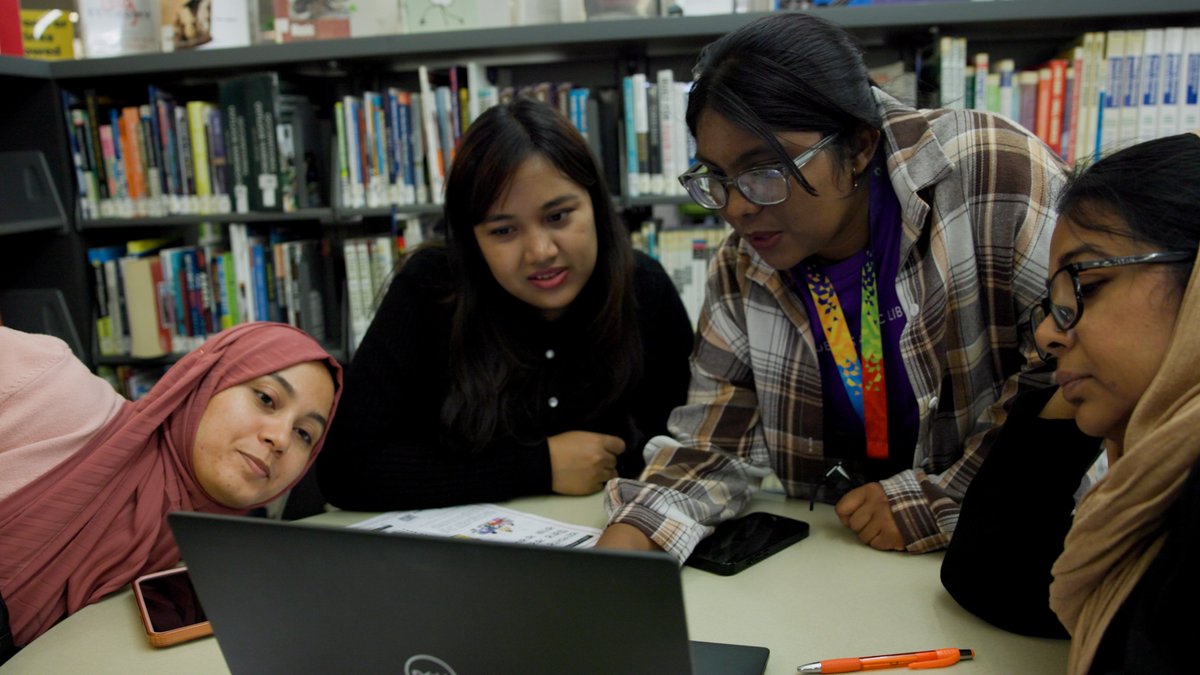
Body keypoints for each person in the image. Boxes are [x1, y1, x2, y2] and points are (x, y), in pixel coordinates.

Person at [596, 12, 1064, 558]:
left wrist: (937, 499)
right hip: (846, 547)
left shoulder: (989, 176)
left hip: (1001, 545)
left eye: (765, 170)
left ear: (860, 146)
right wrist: (619, 557)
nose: (739, 207)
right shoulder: (742, 263)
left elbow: (1063, 380)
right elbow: (714, 444)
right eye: (716, 178)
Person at [316, 98, 693, 510]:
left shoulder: (646, 288)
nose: (540, 251)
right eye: (504, 230)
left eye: (558, 217)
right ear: (473, 241)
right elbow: (345, 468)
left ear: (596, 207)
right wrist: (536, 465)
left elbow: (693, 451)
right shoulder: (430, 290)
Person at [944, 132, 1200, 672]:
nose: (1047, 339)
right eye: (1055, 305)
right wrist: (1085, 376)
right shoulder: (1159, 479)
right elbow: (993, 578)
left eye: (1089, 284)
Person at [0, 321, 341, 652]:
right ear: (203, 382)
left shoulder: (191, 570)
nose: (280, 438)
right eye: (266, 398)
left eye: (304, 433)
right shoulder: (52, 384)